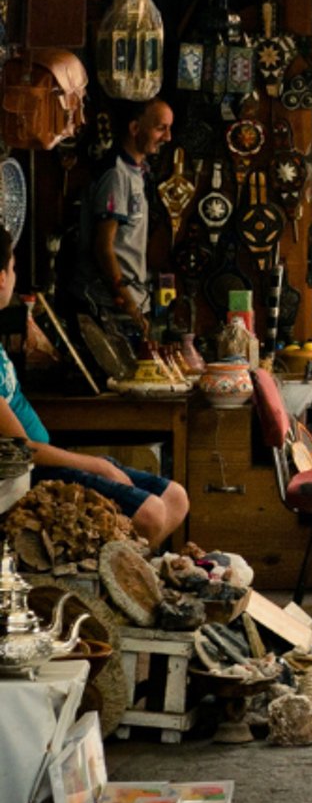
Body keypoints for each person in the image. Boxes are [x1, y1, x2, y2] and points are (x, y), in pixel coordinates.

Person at [0, 227, 188, 545]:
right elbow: (20, 449)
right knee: (151, 514)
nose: (15, 277)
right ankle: (111, 580)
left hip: (47, 462)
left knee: (175, 497)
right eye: (14, 268)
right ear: (1, 277)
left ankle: (119, 577)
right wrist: (96, 465)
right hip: (28, 476)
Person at [62, 99, 173, 340]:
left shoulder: (138, 172)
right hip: (106, 306)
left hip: (126, 304)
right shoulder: (116, 174)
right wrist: (128, 303)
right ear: (135, 129)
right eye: (160, 128)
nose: (168, 137)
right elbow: (104, 246)